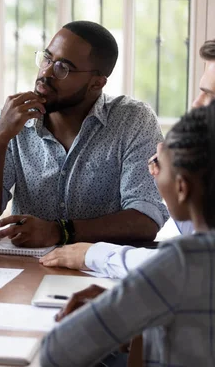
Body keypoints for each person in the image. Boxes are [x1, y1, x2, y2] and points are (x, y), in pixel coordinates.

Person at [40, 101, 215, 366]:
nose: (152, 170)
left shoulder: (180, 264)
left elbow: (57, 352)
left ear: (181, 188)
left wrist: (120, 309)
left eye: (158, 163)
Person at [0, 21, 169, 248]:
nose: (46, 73)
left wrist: (60, 231)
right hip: (25, 270)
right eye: (47, 59)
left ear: (96, 83)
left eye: (64, 67)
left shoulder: (132, 121)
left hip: (98, 269)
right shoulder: (13, 119)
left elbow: (146, 219)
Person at [39, 38, 215, 277]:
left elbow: (191, 266)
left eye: (210, 95)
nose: (197, 104)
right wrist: (173, 186)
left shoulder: (133, 118)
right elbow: (201, 241)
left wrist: (92, 255)